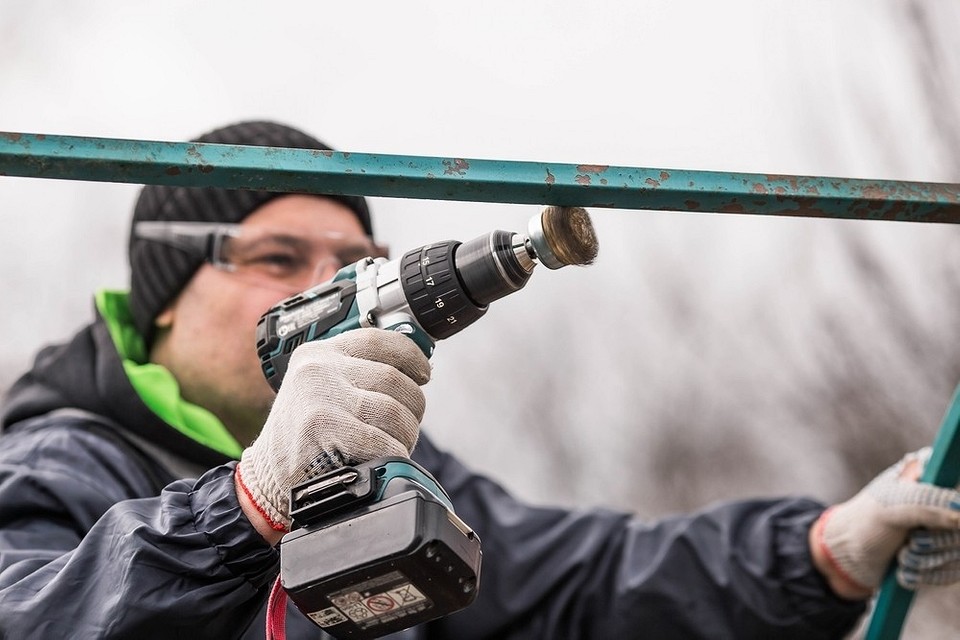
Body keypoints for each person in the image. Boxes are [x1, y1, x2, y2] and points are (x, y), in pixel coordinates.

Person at [1, 121, 958, 640]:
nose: (322, 286)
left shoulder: (382, 474)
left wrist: (823, 550)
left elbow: (584, 586)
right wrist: (246, 506)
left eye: (351, 260)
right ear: (162, 294)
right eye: (278, 256)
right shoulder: (58, 462)